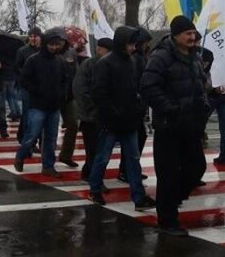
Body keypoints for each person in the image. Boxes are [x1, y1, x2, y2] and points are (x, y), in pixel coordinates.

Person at [141, 16, 209, 235]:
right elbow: (149, 87)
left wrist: (203, 109)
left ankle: (172, 199)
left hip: (191, 125)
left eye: (193, 33)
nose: (192, 37)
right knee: (168, 173)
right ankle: (167, 220)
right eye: (188, 34)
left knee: (197, 167)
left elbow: (200, 85)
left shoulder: (195, 57)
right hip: (169, 125)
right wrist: (171, 108)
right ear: (176, 35)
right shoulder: (161, 57)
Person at [88, 26, 156, 212]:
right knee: (102, 157)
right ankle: (95, 189)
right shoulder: (105, 63)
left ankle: (139, 196)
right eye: (130, 44)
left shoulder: (133, 62)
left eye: (134, 44)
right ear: (121, 43)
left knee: (133, 159)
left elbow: (138, 88)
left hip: (129, 120)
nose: (133, 48)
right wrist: (113, 112)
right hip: (110, 121)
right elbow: (100, 93)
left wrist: (139, 108)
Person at [14, 28, 68, 175]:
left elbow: (65, 80)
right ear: (45, 44)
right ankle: (20, 155)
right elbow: (24, 80)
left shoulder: (60, 61)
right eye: (52, 44)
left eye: (57, 45)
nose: (54, 47)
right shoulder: (33, 60)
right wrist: (37, 91)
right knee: (32, 134)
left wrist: (62, 93)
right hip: (37, 105)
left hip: (54, 105)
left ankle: (48, 166)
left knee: (51, 137)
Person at [73, 37, 113, 182]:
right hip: (89, 117)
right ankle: (90, 176)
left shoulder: (109, 65)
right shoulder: (88, 65)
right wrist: (91, 109)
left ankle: (91, 174)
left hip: (103, 116)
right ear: (99, 49)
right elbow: (80, 89)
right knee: (93, 150)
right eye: (105, 50)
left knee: (101, 150)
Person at [118, 27, 152, 182]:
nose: (146, 45)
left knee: (138, 138)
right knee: (135, 139)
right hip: (134, 105)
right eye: (145, 43)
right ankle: (127, 170)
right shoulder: (136, 59)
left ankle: (130, 169)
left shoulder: (139, 58)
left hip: (138, 105)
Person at [58, 34, 88, 168]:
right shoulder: (47, 54)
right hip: (53, 96)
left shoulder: (71, 53)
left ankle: (66, 155)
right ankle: (45, 160)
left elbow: (76, 73)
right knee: (47, 130)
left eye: (61, 41)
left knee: (73, 125)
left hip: (69, 96)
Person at [15, 27, 42, 142]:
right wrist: (26, 75)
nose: (33, 39)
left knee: (38, 114)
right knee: (27, 113)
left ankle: (33, 137)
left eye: (35, 36)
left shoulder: (43, 50)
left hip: (41, 87)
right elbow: (17, 67)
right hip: (27, 86)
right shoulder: (22, 51)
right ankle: (27, 139)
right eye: (31, 36)